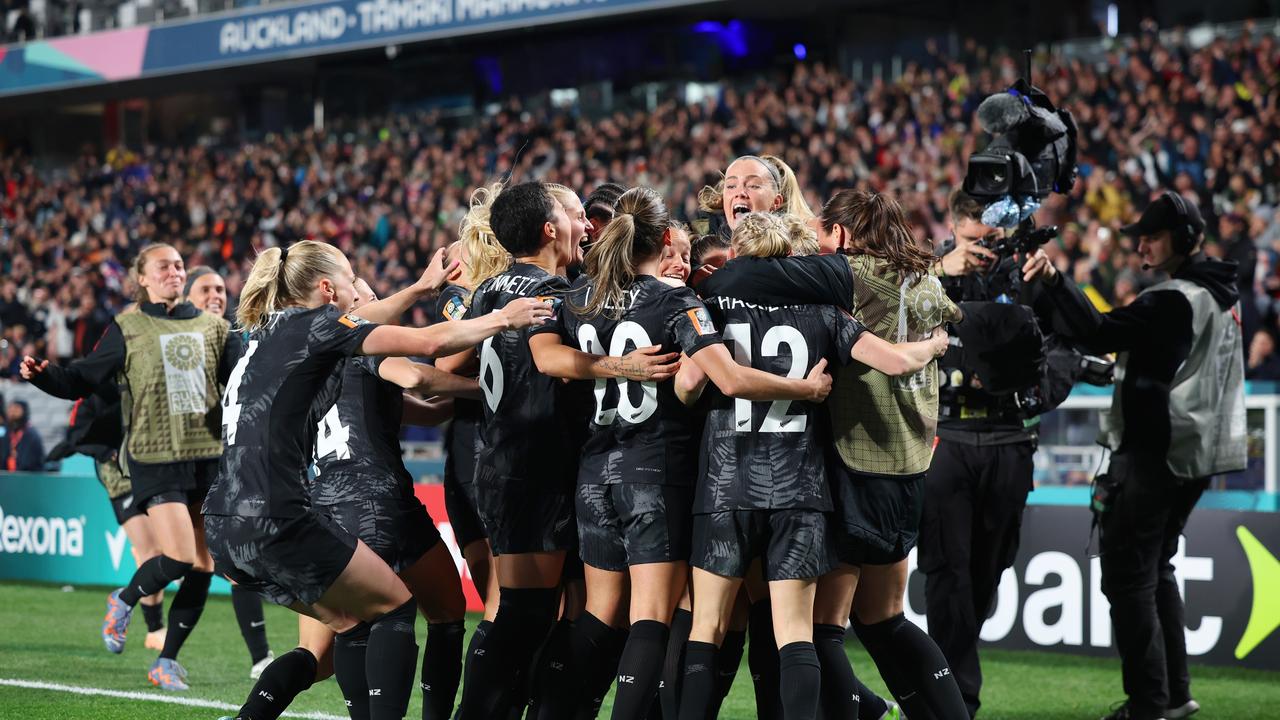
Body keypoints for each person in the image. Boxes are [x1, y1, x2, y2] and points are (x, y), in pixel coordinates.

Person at [203, 239, 553, 720]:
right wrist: (501, 318)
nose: (358, 289)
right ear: (328, 289)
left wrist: (419, 288)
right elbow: (429, 346)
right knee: (394, 609)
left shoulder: (263, 333)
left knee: (349, 626)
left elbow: (377, 321)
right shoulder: (323, 325)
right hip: (282, 512)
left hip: (223, 525)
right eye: (351, 279)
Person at [527, 191, 833, 720]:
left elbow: (546, 357)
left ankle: (549, 711)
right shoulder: (675, 302)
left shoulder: (580, 296)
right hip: (655, 473)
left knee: (599, 617)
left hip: (595, 473)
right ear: (666, 239)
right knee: (651, 619)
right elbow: (729, 377)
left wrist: (613, 367)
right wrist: (806, 390)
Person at [452, 182, 678, 720]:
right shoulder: (550, 293)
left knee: (532, 613)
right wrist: (625, 363)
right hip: (536, 467)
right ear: (550, 228)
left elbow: (449, 369)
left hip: (501, 459)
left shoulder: (488, 290)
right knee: (526, 616)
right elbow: (552, 362)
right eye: (578, 216)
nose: (588, 227)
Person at [1025, 192, 1246, 720]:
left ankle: (1148, 702)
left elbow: (1099, 330)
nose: (1141, 244)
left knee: (1127, 578)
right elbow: (1155, 356)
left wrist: (1056, 282)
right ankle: (1173, 695)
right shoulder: (1217, 294)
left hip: (1154, 455)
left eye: (1153, 235)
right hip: (1194, 457)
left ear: (1186, 240)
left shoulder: (1172, 297)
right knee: (1156, 570)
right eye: (1138, 236)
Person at [227, 277, 478, 720]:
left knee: (318, 651)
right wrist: (483, 388)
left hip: (323, 505)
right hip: (379, 501)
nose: (378, 301)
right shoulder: (360, 341)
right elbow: (418, 377)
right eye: (368, 296)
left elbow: (420, 407)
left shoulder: (304, 355)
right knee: (444, 612)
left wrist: (454, 402)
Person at [22, 243, 240, 690]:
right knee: (178, 556)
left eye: (179, 265)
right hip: (155, 457)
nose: (174, 272)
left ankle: (166, 661)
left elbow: (241, 382)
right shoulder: (128, 326)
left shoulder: (214, 327)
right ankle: (124, 598)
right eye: (163, 266)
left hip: (206, 457)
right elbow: (83, 378)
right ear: (142, 277)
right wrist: (45, 376)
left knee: (203, 565)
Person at [813, 190, 968, 720]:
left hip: (858, 456)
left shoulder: (844, 276)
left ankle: (867, 709)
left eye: (821, 231)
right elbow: (954, 315)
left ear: (842, 233)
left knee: (819, 627)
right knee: (884, 618)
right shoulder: (926, 279)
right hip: (912, 462)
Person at [917, 190, 1054, 718]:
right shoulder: (927, 276)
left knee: (987, 572)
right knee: (947, 571)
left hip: (1009, 437)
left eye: (992, 241)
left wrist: (1035, 390)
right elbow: (891, 321)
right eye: (973, 240)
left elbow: (1068, 343)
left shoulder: (1026, 277)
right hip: (946, 438)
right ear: (953, 227)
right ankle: (954, 700)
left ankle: (943, 687)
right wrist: (942, 272)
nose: (983, 251)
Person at [1, 400, 44, 471]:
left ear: (24, 411)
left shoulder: (31, 434)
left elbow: (30, 461)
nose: (12, 411)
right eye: (10, 408)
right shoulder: (6, 431)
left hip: (27, 477)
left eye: (16, 408)